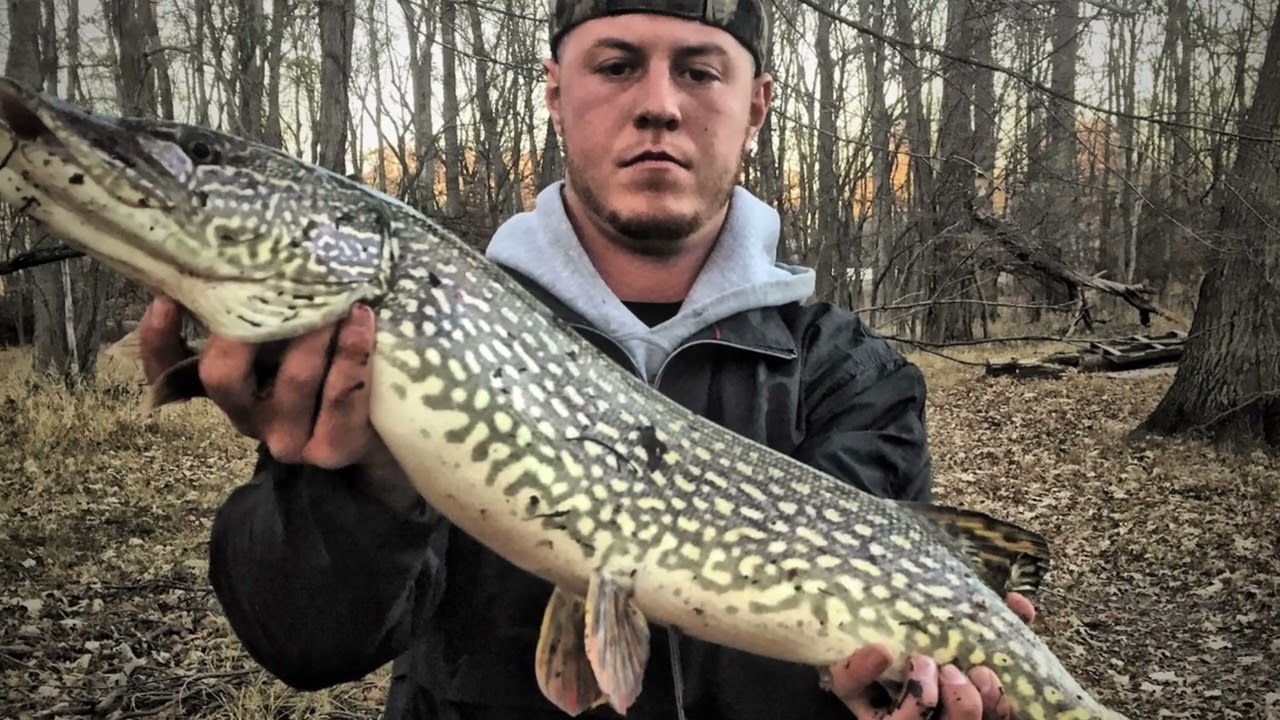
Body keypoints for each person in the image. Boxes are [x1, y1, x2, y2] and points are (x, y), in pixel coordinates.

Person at [137, 2, 1034, 718]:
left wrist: (889, 694)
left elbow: (872, 651)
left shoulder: (852, 374)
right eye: (616, 65)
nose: (658, 103)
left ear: (756, 105)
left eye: (698, 69)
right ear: (555, 93)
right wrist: (354, 485)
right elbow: (306, 645)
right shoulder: (419, 328)